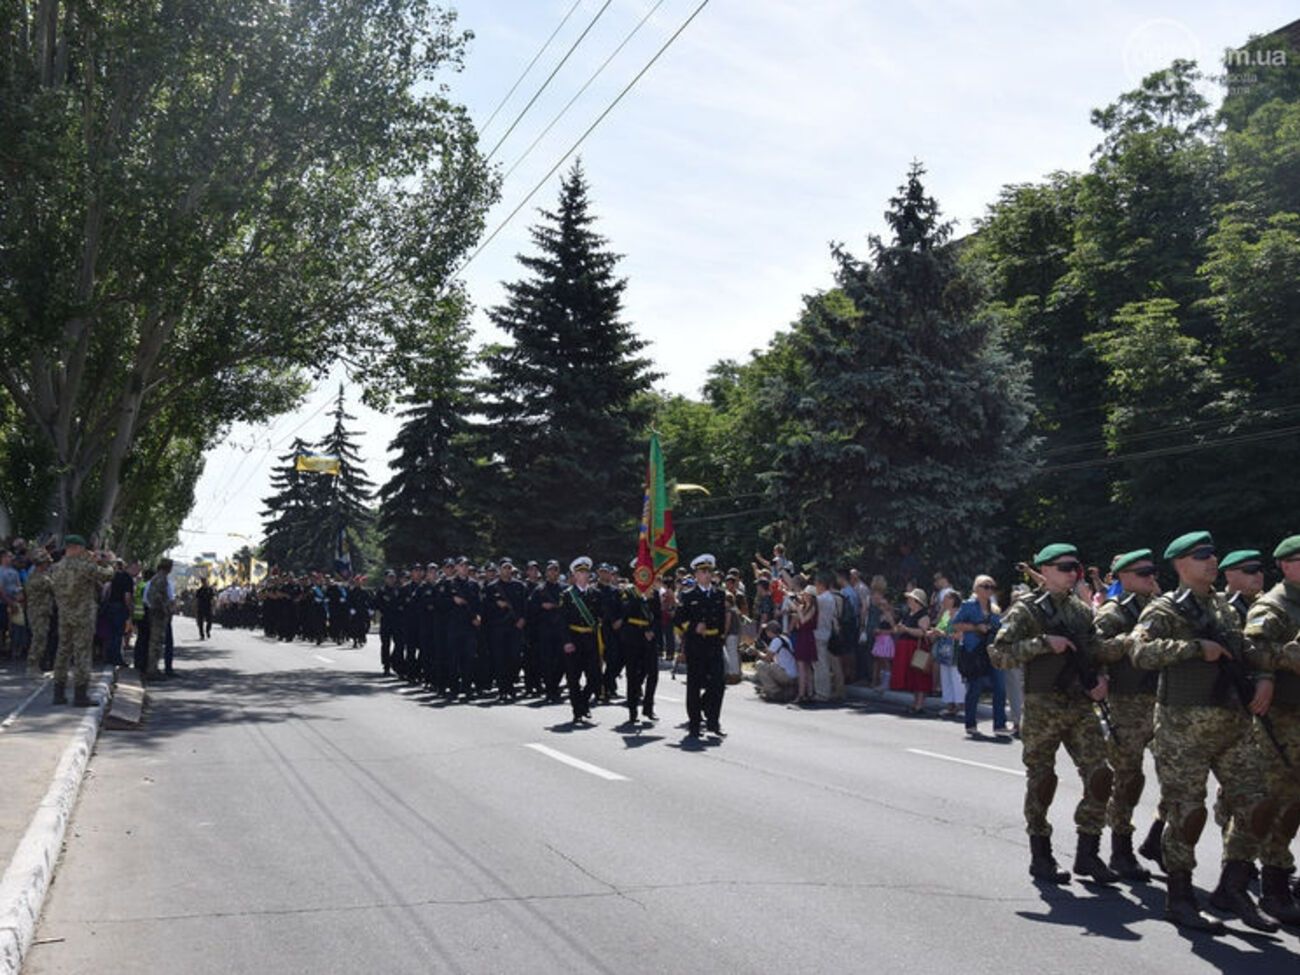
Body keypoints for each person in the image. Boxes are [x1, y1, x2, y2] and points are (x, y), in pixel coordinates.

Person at [1131, 531, 1278, 933]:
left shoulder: (1224, 607)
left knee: (1259, 805)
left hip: (1233, 722)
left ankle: (1232, 887)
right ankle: (1179, 899)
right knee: (1187, 813)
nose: (1212, 561)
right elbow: (1140, 652)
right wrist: (1194, 648)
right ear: (1181, 565)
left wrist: (1264, 676)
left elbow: (1246, 650)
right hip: (1182, 728)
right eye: (1202, 556)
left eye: (1213, 554)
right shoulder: (1165, 608)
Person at [991, 543, 1117, 886]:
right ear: (1043, 571)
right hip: (1043, 704)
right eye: (1064, 567)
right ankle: (1041, 855)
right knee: (1042, 780)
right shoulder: (1027, 611)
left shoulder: (1079, 611)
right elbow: (999, 654)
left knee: (1101, 775)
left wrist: (1101, 678)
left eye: (1075, 567)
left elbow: (1094, 650)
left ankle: (1088, 852)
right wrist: (1043, 643)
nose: (1072, 573)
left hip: (1079, 704)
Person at [1092, 548, 1161, 881]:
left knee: (1179, 779)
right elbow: (1095, 649)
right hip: (1127, 703)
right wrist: (1129, 642)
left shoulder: (1160, 608)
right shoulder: (1113, 612)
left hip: (1162, 701)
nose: (1152, 578)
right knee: (1129, 778)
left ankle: (1158, 838)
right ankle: (1121, 849)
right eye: (1144, 573)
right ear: (1125, 577)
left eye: (1152, 572)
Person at [1241, 534, 1300, 926]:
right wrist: (1291, 654)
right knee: (1279, 800)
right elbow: (1253, 653)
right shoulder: (1273, 605)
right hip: (1282, 715)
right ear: (1285, 565)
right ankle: (1273, 887)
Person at [48, 535, 115, 705]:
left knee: (62, 652)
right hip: (83, 616)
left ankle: (58, 693)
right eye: (83, 548)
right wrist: (104, 561)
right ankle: (80, 695)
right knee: (82, 653)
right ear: (77, 547)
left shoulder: (56, 567)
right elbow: (108, 575)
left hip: (64, 615)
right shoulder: (86, 566)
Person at [673, 553, 728, 738]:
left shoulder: (719, 594)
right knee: (694, 685)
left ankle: (713, 720)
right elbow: (678, 619)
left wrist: (721, 637)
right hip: (696, 646)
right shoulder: (688, 595)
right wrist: (693, 627)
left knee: (718, 684)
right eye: (702, 571)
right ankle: (695, 724)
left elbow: (722, 619)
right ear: (696, 574)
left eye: (708, 571)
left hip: (713, 644)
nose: (706, 574)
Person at [953, 577, 1007, 738]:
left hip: (992, 651)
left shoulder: (995, 609)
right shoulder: (968, 605)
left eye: (992, 587)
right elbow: (955, 624)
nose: (989, 590)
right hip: (974, 651)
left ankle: (1000, 725)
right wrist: (975, 627)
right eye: (985, 586)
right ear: (976, 588)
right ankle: (970, 723)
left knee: (1000, 687)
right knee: (975, 688)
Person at [559, 557, 602, 723]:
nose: (583, 575)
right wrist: (566, 641)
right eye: (580, 572)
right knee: (573, 677)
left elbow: (601, 615)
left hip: (590, 639)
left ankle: (583, 702)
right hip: (574, 638)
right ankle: (577, 710)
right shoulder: (567, 595)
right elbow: (562, 621)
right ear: (574, 575)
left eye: (585, 572)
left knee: (594, 677)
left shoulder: (595, 594)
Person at [619, 563, 662, 724]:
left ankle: (648, 707)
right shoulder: (628, 592)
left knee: (653, 673)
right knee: (632, 674)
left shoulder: (654, 593)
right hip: (633, 637)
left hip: (649, 638)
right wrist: (640, 595)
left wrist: (652, 630)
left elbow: (658, 617)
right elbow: (625, 613)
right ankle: (632, 710)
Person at [485, 558, 527, 702]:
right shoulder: (492, 587)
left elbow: (525, 606)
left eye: (509, 568)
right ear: (499, 569)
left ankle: (511, 685)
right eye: (504, 567)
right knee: (500, 659)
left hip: (515, 627)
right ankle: (504, 689)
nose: (507, 570)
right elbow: (485, 608)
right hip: (498, 627)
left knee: (514, 658)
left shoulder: (519, 586)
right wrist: (496, 605)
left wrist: (523, 619)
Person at [890, 588, 932, 714]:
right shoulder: (908, 614)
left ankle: (919, 704)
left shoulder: (923, 616)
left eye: (911, 599)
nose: (908, 601)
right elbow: (898, 628)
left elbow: (922, 632)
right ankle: (915, 703)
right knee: (911, 676)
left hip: (916, 648)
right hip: (906, 647)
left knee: (919, 675)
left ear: (917, 601)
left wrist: (907, 630)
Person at [929, 589, 964, 717]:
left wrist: (942, 634)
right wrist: (934, 632)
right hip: (944, 650)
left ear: (953, 600)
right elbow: (941, 628)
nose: (943, 601)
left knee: (956, 677)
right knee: (946, 677)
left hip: (956, 650)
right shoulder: (946, 615)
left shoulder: (960, 614)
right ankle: (950, 706)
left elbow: (960, 634)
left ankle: (961, 706)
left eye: (946, 598)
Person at [21, 548, 55, 677]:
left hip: (41, 612)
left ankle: (35, 667)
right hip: (38, 613)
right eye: (47, 563)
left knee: (40, 638)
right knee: (38, 639)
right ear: (41, 564)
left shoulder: (38, 576)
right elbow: (55, 587)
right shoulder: (41, 579)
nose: (48, 565)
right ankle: (32, 666)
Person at [145, 559, 175, 681]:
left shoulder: (158, 577)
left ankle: (154, 668)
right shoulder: (161, 579)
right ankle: (152, 670)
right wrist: (164, 609)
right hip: (158, 614)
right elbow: (157, 597)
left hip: (157, 613)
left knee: (157, 642)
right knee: (156, 643)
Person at [813, 573, 840, 701]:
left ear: (821, 585)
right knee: (823, 663)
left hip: (819, 632)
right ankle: (823, 691)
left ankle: (822, 692)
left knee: (820, 664)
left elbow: (809, 605)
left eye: (816, 584)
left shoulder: (822, 599)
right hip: (826, 631)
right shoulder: (831, 597)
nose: (815, 587)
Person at [754, 620, 797, 702]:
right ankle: (778, 690)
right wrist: (766, 649)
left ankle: (774, 692)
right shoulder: (784, 638)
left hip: (786, 675)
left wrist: (757, 652)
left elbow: (767, 659)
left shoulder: (776, 641)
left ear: (770, 631)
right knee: (770, 666)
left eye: (766, 630)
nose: (765, 632)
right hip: (792, 674)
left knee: (760, 665)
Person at [1220, 549, 1265, 625]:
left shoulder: (1269, 601)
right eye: (1251, 570)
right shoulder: (1218, 606)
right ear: (1229, 575)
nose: (1259, 574)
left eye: (1260, 569)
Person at [791, 587, 818, 703]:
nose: (804, 596)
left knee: (804, 666)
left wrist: (798, 611)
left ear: (811, 597)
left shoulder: (813, 608)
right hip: (802, 636)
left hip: (807, 637)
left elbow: (803, 621)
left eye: (807, 595)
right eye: (804, 595)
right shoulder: (804, 607)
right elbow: (798, 624)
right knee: (804, 666)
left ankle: (803, 694)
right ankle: (808, 693)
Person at [868, 581, 895, 691]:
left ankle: (886, 683)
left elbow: (894, 629)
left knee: (885, 662)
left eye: (884, 605)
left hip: (886, 639)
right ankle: (878, 680)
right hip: (879, 639)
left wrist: (882, 631)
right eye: (880, 605)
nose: (882, 606)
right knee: (879, 660)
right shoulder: (881, 615)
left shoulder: (888, 615)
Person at [375, 570, 401, 675]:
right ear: (385, 578)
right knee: (385, 643)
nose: (391, 579)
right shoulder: (381, 591)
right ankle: (386, 665)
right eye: (389, 577)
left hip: (397, 620)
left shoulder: (398, 590)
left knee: (399, 643)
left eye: (393, 577)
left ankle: (393, 660)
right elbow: (376, 604)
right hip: (386, 619)